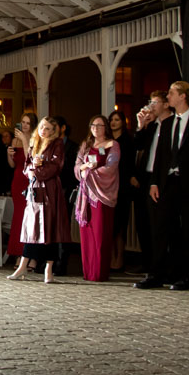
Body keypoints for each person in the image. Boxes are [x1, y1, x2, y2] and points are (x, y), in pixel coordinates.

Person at [140, 81, 189, 291]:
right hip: (166, 183)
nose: (169, 96)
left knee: (188, 228)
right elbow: (160, 157)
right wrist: (154, 181)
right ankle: (156, 274)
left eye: (172, 93)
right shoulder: (166, 124)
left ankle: (185, 275)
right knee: (160, 227)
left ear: (183, 96)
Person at [6, 118, 68, 285]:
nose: (43, 131)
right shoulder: (34, 143)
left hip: (50, 190)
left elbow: (56, 166)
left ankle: (49, 269)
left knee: (50, 228)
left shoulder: (57, 144)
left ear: (53, 131)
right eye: (41, 127)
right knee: (30, 226)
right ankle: (23, 265)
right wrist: (31, 171)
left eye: (47, 128)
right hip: (34, 189)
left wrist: (38, 170)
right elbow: (26, 164)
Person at [74, 115, 122, 282]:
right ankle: (88, 271)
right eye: (93, 125)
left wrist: (89, 172)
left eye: (100, 125)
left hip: (102, 195)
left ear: (106, 127)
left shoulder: (113, 145)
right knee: (87, 234)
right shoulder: (86, 145)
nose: (95, 128)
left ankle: (99, 273)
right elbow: (77, 165)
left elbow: (111, 168)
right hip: (85, 195)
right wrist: (83, 168)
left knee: (101, 234)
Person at [130, 90, 171, 279]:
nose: (151, 106)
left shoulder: (172, 124)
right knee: (143, 222)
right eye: (150, 102)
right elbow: (138, 146)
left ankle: (161, 265)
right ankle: (148, 262)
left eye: (155, 102)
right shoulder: (153, 126)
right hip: (145, 178)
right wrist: (141, 126)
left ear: (165, 104)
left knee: (159, 224)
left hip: (163, 178)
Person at [108, 110, 136, 272]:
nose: (113, 123)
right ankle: (111, 257)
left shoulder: (127, 140)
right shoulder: (107, 140)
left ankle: (120, 259)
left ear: (122, 123)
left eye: (117, 120)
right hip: (108, 186)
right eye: (111, 120)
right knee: (110, 225)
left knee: (120, 225)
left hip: (123, 186)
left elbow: (129, 164)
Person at [5, 115, 33, 262]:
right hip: (17, 180)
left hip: (30, 180)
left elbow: (31, 158)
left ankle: (29, 255)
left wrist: (24, 139)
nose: (25, 125)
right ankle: (17, 252)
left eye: (28, 123)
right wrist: (9, 155)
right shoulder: (15, 140)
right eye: (23, 122)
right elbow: (12, 164)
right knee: (18, 217)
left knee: (29, 217)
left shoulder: (35, 139)